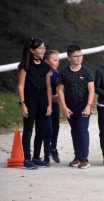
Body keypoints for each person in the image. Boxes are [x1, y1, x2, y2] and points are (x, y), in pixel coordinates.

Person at [58, 44, 94, 169]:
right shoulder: (64, 73)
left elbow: (91, 89)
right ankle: (77, 156)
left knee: (82, 130)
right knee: (74, 131)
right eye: (75, 56)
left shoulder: (86, 71)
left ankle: (85, 158)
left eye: (80, 56)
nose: (78, 58)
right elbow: (60, 90)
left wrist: (89, 105)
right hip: (70, 107)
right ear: (69, 58)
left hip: (83, 106)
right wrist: (64, 107)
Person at [18, 37, 52, 169]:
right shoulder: (25, 66)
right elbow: (21, 86)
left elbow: (48, 86)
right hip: (30, 98)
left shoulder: (46, 66)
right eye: (40, 48)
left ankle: (36, 157)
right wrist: (23, 103)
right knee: (28, 129)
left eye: (44, 47)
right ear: (32, 50)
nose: (43, 50)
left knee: (41, 129)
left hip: (42, 98)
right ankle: (27, 159)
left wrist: (49, 104)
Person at [43, 50, 61, 165]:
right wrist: (49, 98)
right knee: (48, 128)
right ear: (46, 61)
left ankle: (53, 148)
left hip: (55, 105)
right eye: (54, 60)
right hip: (45, 105)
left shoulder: (57, 74)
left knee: (56, 127)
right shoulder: (41, 75)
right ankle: (46, 153)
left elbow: (60, 88)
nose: (57, 62)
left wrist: (58, 96)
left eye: (58, 60)